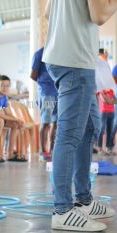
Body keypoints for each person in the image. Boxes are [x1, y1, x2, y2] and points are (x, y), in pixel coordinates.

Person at [43, 0, 117, 231]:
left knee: (88, 129)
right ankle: (63, 211)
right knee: (70, 134)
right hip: (75, 61)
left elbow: (47, 13)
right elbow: (99, 16)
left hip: (67, 58)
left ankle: (83, 200)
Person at [0, 75, 25, 162]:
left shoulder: (4, 96)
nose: (5, 88)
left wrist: (18, 120)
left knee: (15, 124)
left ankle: (9, 154)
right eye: (2, 85)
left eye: (7, 85)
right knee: (0, 121)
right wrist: (16, 119)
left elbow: (8, 113)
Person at [30, 47, 58, 161]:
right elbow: (33, 75)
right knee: (46, 122)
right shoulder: (39, 54)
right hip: (46, 93)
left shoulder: (59, 51)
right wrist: (45, 82)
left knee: (55, 123)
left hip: (59, 92)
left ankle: (51, 151)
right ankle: (43, 152)